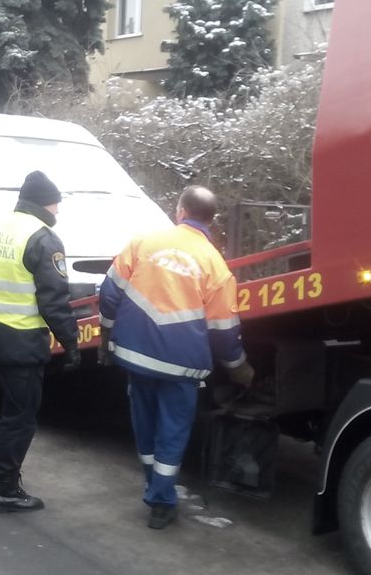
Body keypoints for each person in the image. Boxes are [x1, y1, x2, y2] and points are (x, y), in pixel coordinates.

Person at [97, 185, 255, 529]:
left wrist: (106, 334)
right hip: (181, 366)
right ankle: (161, 502)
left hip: (136, 357)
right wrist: (239, 366)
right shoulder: (215, 265)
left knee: (146, 424)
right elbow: (224, 331)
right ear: (211, 219)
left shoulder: (143, 243)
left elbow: (109, 293)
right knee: (172, 431)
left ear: (180, 211)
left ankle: (153, 485)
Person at [0, 170, 81, 513]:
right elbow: (54, 301)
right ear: (44, 203)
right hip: (21, 340)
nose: (58, 211)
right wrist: (72, 342)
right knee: (19, 416)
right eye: (56, 204)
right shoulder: (43, 238)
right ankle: (5, 489)